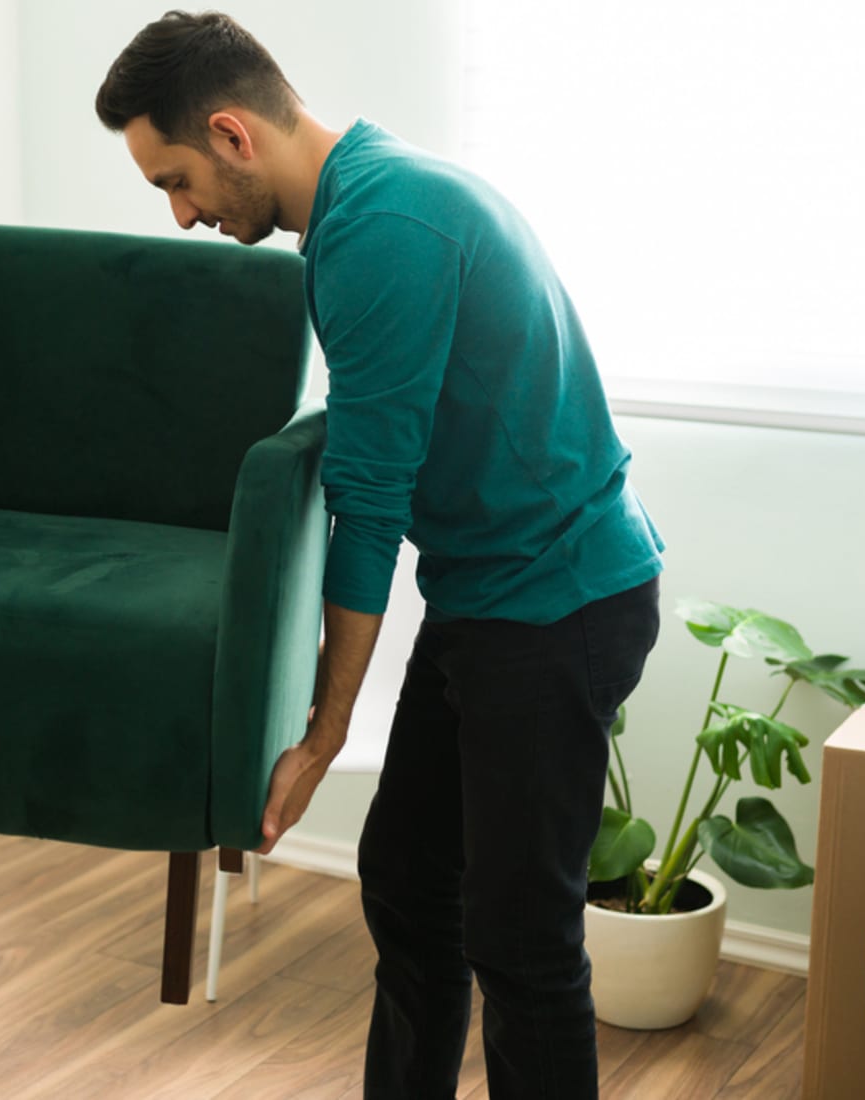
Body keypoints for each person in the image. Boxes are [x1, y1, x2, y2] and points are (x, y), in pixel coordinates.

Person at [97, 12, 664, 1098]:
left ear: (230, 133)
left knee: (521, 940)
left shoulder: (383, 230)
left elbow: (369, 498)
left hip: (556, 604)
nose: (181, 214)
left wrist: (321, 731)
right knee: (409, 883)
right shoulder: (367, 199)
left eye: (176, 179)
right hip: (491, 597)